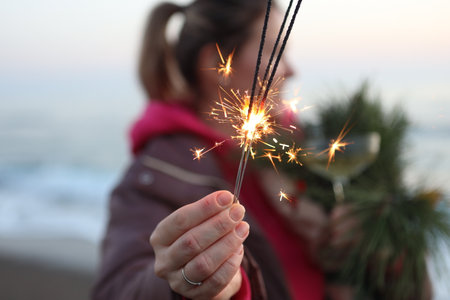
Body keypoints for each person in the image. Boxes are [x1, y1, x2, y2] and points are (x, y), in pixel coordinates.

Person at [92, 1, 357, 299]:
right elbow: (116, 291)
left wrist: (369, 247)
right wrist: (188, 286)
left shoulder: (305, 155)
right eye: (274, 51)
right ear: (218, 65)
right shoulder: (157, 178)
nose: (292, 70)